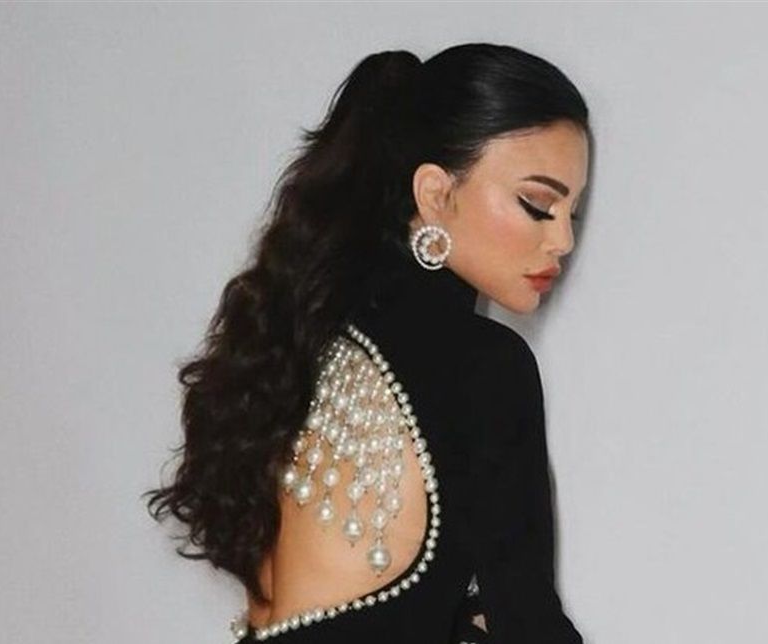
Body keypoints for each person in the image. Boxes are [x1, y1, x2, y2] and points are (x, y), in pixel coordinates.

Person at [143, 42, 591, 644]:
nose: (562, 240)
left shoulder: (301, 339)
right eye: (538, 205)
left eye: (573, 215)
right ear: (435, 193)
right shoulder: (482, 366)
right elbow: (530, 627)